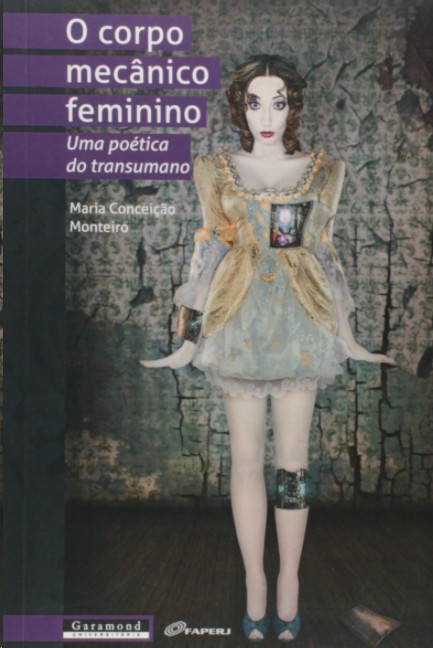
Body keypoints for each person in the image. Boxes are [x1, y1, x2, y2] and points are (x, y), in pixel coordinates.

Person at [141, 54, 395, 642]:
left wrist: (349, 336)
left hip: (301, 323)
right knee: (246, 459)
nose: (266, 116)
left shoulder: (324, 171)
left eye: (278, 102)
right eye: (255, 102)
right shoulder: (215, 170)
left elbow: (327, 255)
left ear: (293, 107)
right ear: (239, 107)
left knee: (293, 464)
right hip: (238, 321)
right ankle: (256, 580)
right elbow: (207, 253)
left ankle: (289, 581)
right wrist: (187, 338)